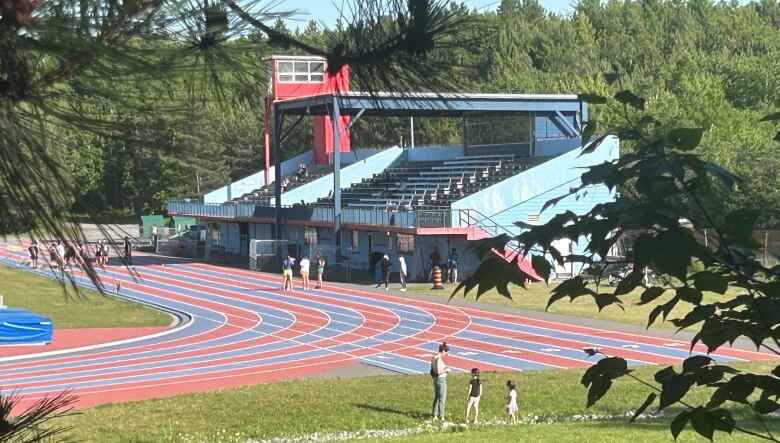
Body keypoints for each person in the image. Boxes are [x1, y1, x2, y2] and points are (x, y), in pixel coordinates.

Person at [430, 341, 451, 420]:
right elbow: (438, 371)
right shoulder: (438, 358)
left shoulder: (434, 357)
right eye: (446, 352)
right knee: (442, 398)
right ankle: (441, 416)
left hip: (436, 379)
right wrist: (447, 370)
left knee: (437, 397)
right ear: (443, 351)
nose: (446, 354)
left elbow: (432, 370)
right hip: (441, 380)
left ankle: (434, 415)